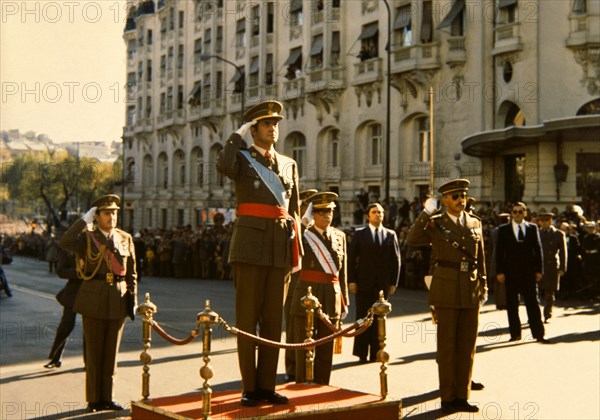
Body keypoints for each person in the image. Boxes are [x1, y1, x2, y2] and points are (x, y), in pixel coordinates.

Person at [216, 100, 302, 407]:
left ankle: (267, 385)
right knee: (248, 318)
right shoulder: (241, 158)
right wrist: (236, 137)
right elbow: (224, 167)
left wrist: (297, 252)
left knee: (271, 321)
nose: (273, 128)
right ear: (254, 130)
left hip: (280, 247)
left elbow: (294, 210)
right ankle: (249, 387)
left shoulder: (289, 165)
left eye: (275, 124)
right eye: (266, 124)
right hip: (250, 246)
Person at [407, 179, 487, 414]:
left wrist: (483, 284)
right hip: (446, 287)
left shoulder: (475, 222)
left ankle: (463, 396)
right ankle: (447, 397)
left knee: (467, 346)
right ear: (444, 201)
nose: (461, 200)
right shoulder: (434, 224)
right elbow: (413, 239)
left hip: (470, 288)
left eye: (463, 196)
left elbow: (480, 256)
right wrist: (425, 212)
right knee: (447, 346)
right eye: (455, 197)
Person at [59, 194, 137, 413]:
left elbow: (132, 273)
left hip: (118, 299)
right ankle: (94, 399)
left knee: (111, 353)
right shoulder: (87, 238)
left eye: (114, 212)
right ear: (98, 216)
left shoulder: (125, 238)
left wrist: (132, 299)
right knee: (94, 352)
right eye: (106, 213)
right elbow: (64, 242)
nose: (111, 216)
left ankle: (108, 397)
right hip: (93, 297)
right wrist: (84, 220)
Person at [290, 192, 349, 384]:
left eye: (329, 211)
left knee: (326, 346)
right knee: (304, 346)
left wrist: (344, 300)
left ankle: (323, 384)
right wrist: (302, 221)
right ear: (313, 214)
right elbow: (290, 241)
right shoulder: (303, 235)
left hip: (331, 296)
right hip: (307, 294)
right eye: (321, 212)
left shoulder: (340, 236)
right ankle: (302, 384)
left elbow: (342, 274)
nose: (326, 215)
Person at [348, 203, 400, 363]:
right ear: (368, 215)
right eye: (374, 212)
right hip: (363, 283)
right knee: (363, 318)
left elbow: (396, 260)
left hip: (382, 286)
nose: (378, 214)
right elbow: (350, 259)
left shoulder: (390, 235)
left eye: (380, 212)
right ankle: (361, 353)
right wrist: (351, 280)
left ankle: (377, 352)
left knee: (379, 319)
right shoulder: (360, 234)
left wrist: (393, 282)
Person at [496, 202, 547, 343]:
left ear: (525, 213)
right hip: (510, 273)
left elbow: (538, 250)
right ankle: (515, 334)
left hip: (529, 274)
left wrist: (539, 270)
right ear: (511, 214)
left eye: (520, 211)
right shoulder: (504, 230)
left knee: (533, 304)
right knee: (512, 305)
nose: (517, 214)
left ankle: (538, 334)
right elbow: (499, 253)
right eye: (515, 212)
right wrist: (499, 271)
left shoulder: (532, 228)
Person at [284, 188, 317, 383]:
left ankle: (309, 365)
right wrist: (302, 226)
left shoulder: (315, 227)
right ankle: (292, 366)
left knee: (312, 330)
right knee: (293, 330)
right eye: (306, 205)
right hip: (294, 287)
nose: (309, 211)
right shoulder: (291, 224)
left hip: (313, 287)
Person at [44, 245, 82, 369]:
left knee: (91, 331)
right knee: (66, 325)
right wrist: (79, 271)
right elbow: (61, 271)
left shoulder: (95, 245)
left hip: (92, 292)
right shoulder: (67, 248)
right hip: (73, 292)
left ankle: (90, 363)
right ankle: (55, 358)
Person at [537, 212, 567, 322]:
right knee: (538, 292)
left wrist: (563, 268)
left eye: (546, 220)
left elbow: (563, 252)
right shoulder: (536, 233)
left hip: (552, 266)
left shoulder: (558, 234)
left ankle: (547, 313)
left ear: (550, 221)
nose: (544, 223)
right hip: (539, 267)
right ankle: (536, 315)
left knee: (550, 292)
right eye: (542, 220)